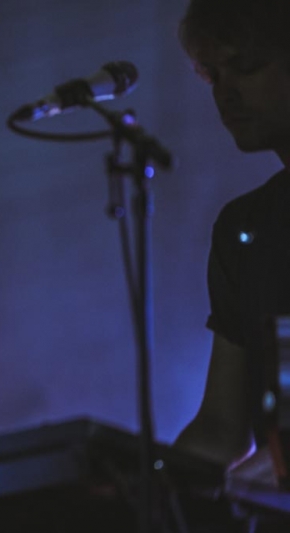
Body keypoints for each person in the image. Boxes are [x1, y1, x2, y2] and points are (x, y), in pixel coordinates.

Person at [171, 0, 290, 487]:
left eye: (244, 66)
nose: (225, 92)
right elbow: (222, 428)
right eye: (213, 74)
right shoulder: (246, 228)